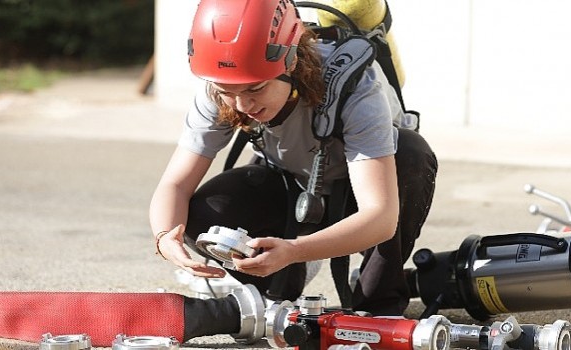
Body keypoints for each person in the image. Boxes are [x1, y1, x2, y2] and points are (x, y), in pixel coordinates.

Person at [149, 0, 437, 316]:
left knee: (411, 155)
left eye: (256, 89)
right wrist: (165, 237)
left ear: (290, 62)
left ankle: (377, 298)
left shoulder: (357, 89)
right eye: (226, 91)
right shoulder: (219, 90)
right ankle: (281, 285)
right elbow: (175, 185)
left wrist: (296, 250)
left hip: (363, 195)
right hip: (292, 187)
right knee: (203, 211)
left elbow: (380, 216)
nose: (242, 103)